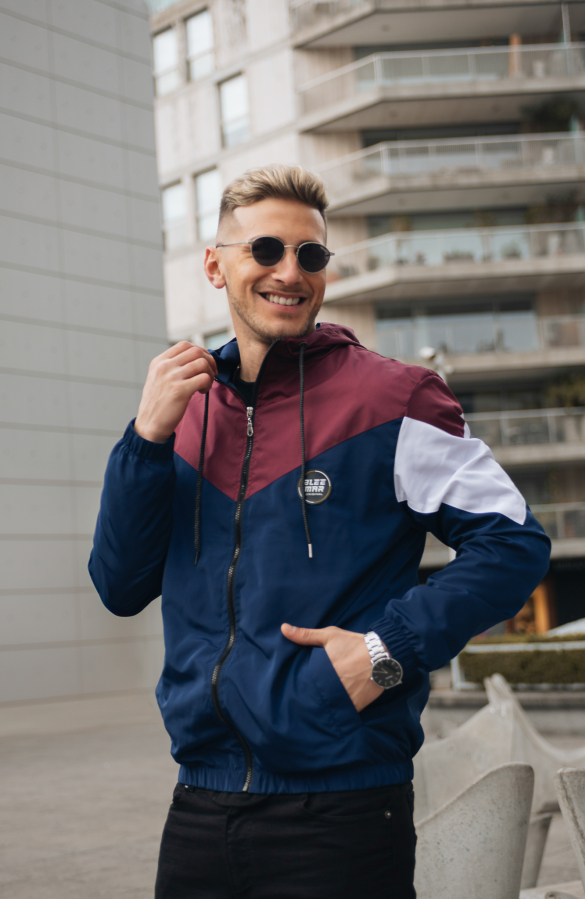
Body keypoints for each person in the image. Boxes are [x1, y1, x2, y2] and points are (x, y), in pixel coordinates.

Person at [89, 164, 551, 899]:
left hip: (343, 809)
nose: (290, 272)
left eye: (310, 254)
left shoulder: (394, 398)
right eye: (265, 250)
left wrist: (385, 653)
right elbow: (120, 585)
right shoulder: (181, 414)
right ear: (215, 265)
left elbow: (513, 543)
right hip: (201, 804)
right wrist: (145, 440)